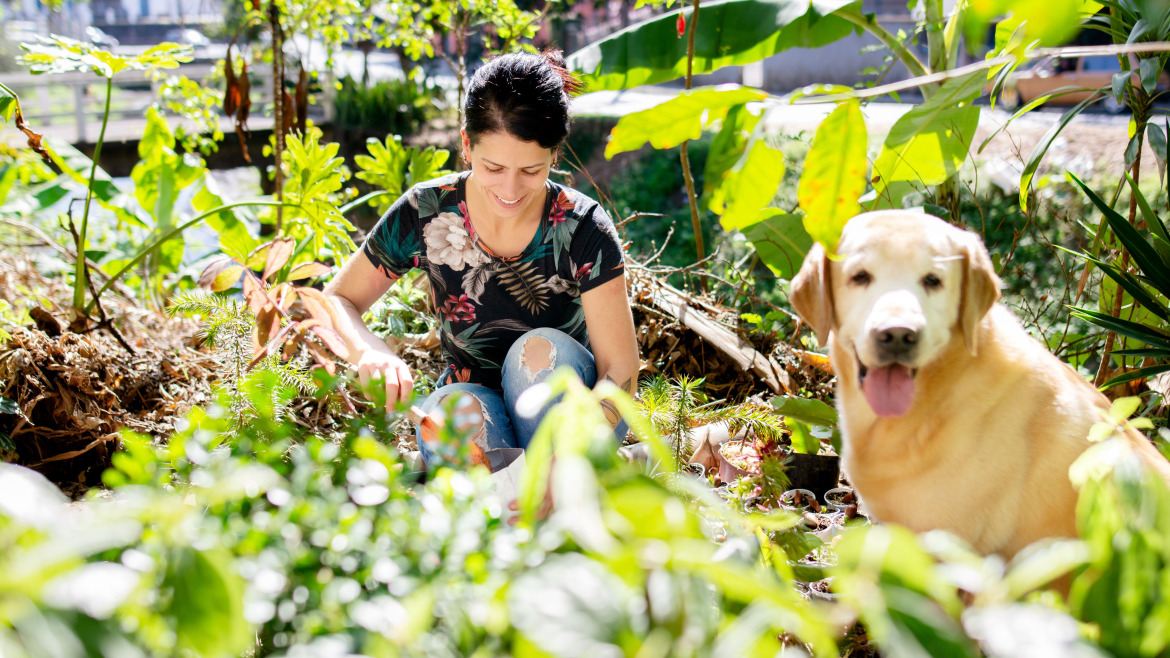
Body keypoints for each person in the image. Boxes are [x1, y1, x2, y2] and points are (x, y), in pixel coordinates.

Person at [324, 50, 640, 468]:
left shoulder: (582, 228)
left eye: (531, 171)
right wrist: (370, 351)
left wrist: (571, 456)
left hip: (567, 404)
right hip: (471, 393)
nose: (510, 189)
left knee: (537, 351)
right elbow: (337, 300)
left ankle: (552, 485)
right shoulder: (426, 211)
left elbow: (621, 369)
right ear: (467, 145)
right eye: (493, 167)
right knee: (458, 421)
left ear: (555, 156)